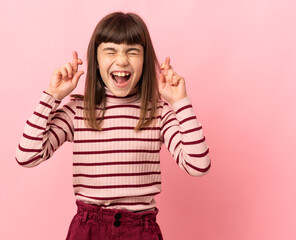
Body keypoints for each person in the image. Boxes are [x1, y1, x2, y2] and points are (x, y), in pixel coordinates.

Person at [15, 11, 211, 240]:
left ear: (145, 60)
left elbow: (199, 165)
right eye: (110, 50)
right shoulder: (78, 111)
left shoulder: (158, 113)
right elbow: (27, 156)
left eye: (132, 51)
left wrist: (179, 102)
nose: (121, 60)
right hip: (88, 229)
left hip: (140, 230)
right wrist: (52, 95)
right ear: (96, 60)